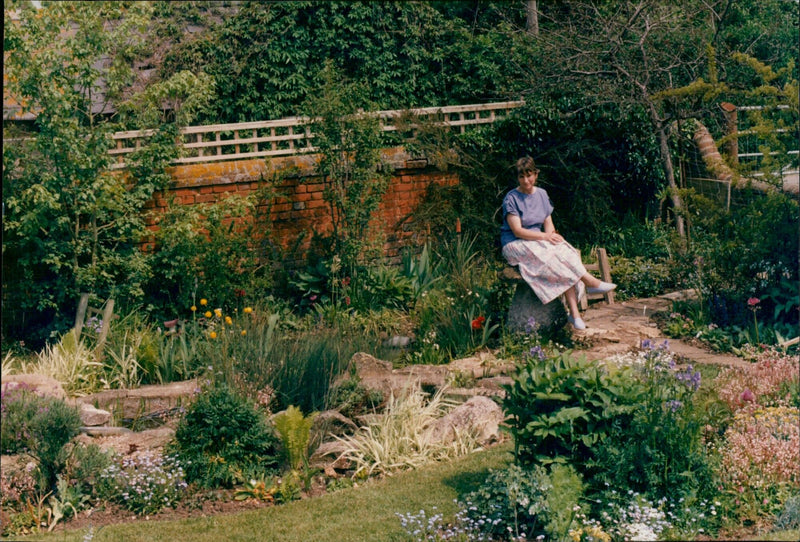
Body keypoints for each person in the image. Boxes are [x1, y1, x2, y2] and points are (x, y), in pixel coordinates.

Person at [500, 156, 616, 330]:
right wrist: (546, 238)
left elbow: (548, 226)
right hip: (515, 244)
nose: (526, 180)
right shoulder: (511, 198)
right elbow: (518, 231)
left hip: (537, 241)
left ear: (536, 174)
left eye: (529, 175)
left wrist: (553, 238)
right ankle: (590, 282)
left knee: (564, 252)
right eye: (521, 176)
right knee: (552, 257)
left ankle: (574, 314)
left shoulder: (542, 194)